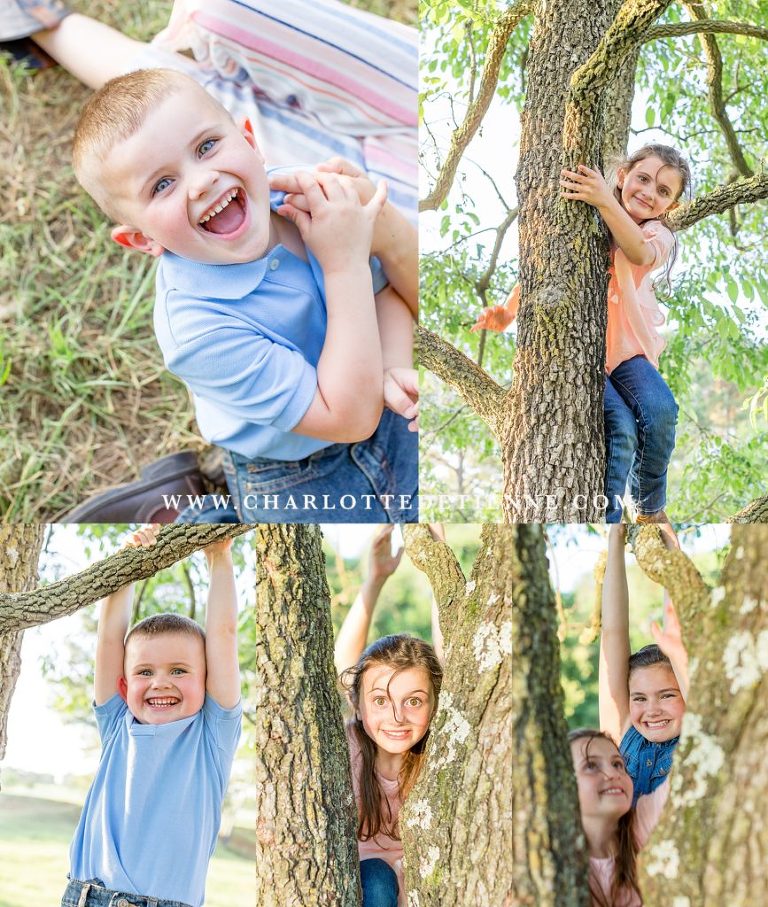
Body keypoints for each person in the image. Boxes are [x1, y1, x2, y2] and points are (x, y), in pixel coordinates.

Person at [4, 0, 418, 524]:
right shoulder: (197, 331)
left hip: (374, 393)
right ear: (141, 240)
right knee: (301, 537)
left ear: (249, 140)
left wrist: (395, 366)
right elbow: (348, 415)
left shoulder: (307, 200)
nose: (201, 182)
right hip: (293, 468)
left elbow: (384, 295)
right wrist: (344, 263)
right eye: (162, 184)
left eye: (206, 147)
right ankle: (194, 511)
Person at [473, 144, 692, 523]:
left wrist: (605, 199)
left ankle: (650, 506)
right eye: (643, 178)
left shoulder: (658, 234)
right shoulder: (587, 213)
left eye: (663, 191)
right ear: (623, 175)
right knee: (620, 428)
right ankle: (608, 520)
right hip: (583, 355)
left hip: (627, 353)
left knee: (660, 409)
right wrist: (508, 313)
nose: (648, 192)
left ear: (669, 206)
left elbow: (637, 252)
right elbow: (549, 271)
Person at [62, 525, 242, 907]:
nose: (160, 683)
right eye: (145, 672)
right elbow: (110, 639)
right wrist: (126, 565)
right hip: (85, 896)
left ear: (207, 681)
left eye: (179, 670)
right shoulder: (117, 724)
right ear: (125, 685)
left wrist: (219, 556)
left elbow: (224, 634)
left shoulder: (212, 735)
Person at [335, 526, 443, 907]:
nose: (397, 716)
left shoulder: (440, 755)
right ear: (360, 708)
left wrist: (438, 567)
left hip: (420, 885)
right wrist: (375, 579)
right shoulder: (349, 744)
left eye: (413, 701)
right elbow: (342, 669)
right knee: (379, 880)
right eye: (380, 700)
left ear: (434, 705)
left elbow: (448, 665)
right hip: (372, 888)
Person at [599, 524, 688, 803]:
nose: (652, 710)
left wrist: (671, 553)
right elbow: (612, 631)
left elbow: (677, 631)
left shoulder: (703, 739)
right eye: (639, 698)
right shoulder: (624, 737)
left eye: (667, 695)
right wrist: (615, 538)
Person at [569, 728, 669, 907]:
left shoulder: (639, 822)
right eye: (591, 766)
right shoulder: (550, 862)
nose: (614, 774)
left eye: (617, 764)